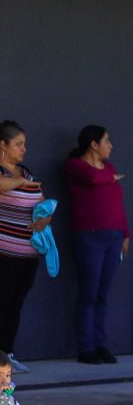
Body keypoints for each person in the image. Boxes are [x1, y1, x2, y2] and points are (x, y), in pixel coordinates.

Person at [64, 126, 131, 365]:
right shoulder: (76, 165)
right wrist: (109, 178)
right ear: (93, 144)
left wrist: (125, 233)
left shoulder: (109, 168)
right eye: (106, 141)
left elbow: (117, 200)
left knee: (103, 293)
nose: (110, 145)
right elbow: (92, 178)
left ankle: (100, 343)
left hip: (113, 236)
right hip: (89, 235)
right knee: (88, 292)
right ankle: (86, 347)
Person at [0, 121, 48, 373]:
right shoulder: (7, 175)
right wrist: (20, 183)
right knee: (2, 301)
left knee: (15, 303)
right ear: (2, 146)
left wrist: (45, 218)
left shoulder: (25, 172)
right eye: (18, 144)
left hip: (27, 253)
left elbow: (41, 201)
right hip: (4, 253)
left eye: (24, 144)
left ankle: (7, 354)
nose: (23, 149)